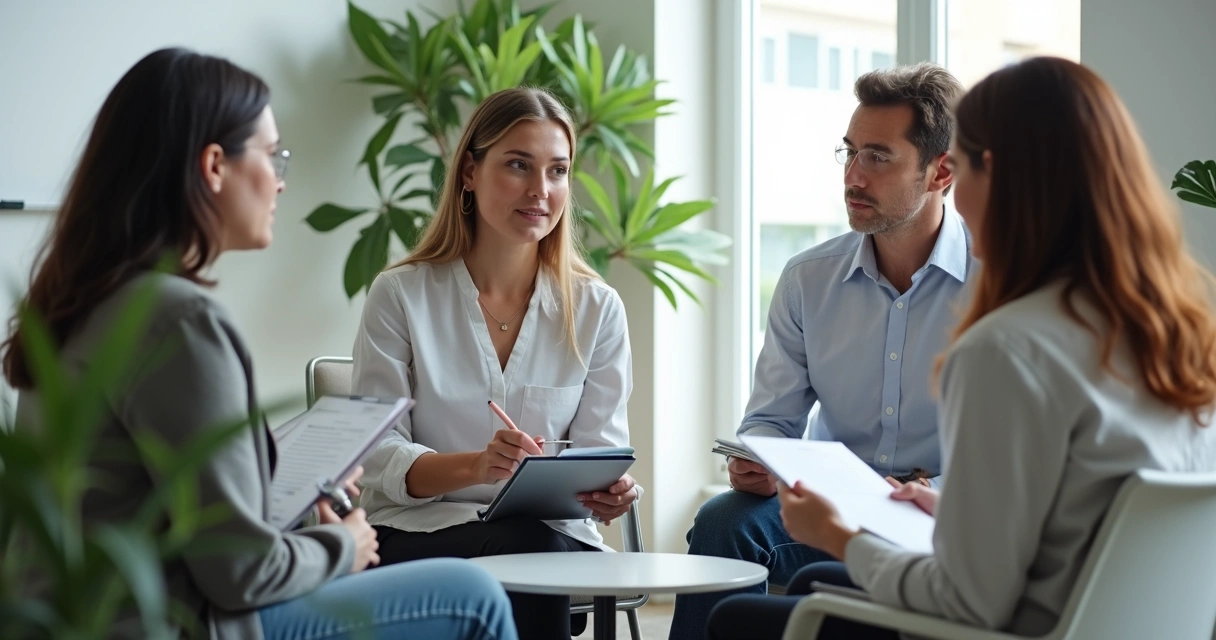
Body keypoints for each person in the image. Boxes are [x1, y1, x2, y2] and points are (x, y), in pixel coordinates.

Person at [0, 48, 517, 640]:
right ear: (214, 165)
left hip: (97, 616)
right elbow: (239, 572)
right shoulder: (180, 320)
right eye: (272, 156)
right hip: (184, 623)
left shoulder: (79, 304)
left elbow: (162, 511)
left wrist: (284, 499)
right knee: (473, 594)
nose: (279, 180)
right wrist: (337, 545)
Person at [707, 55, 1216, 640]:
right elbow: (1074, 514)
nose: (853, 175)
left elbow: (971, 601)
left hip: (1011, 626)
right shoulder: (1176, 331)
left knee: (739, 619)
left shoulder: (1004, 348)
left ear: (964, 174)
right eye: (851, 153)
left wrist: (841, 538)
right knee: (798, 581)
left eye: (964, 160)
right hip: (1116, 623)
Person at [670, 63, 973, 638]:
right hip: (833, 510)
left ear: (941, 173)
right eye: (850, 152)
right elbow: (769, 422)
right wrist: (762, 462)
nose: (853, 176)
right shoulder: (809, 278)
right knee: (725, 521)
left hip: (944, 518)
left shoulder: (999, 283)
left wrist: (934, 493)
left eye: (878, 157)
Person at [350, 86, 637, 640]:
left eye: (558, 171)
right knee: (531, 551)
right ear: (468, 173)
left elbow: (599, 449)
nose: (540, 190)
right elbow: (377, 458)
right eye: (518, 165)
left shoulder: (597, 308)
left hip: (550, 536)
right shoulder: (401, 295)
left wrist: (607, 490)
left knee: (536, 546)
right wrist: (476, 467)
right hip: (417, 532)